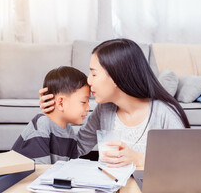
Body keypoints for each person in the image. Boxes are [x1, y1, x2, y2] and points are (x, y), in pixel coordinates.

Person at [39, 39, 190, 167]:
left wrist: (140, 159)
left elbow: (186, 164)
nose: (88, 81)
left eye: (94, 73)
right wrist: (58, 117)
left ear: (116, 77)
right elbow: (75, 150)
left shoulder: (164, 113)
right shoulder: (104, 110)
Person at [12, 66, 90, 164]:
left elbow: (70, 167)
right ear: (61, 103)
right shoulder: (42, 124)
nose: (88, 108)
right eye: (84, 102)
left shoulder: (69, 132)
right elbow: (39, 172)